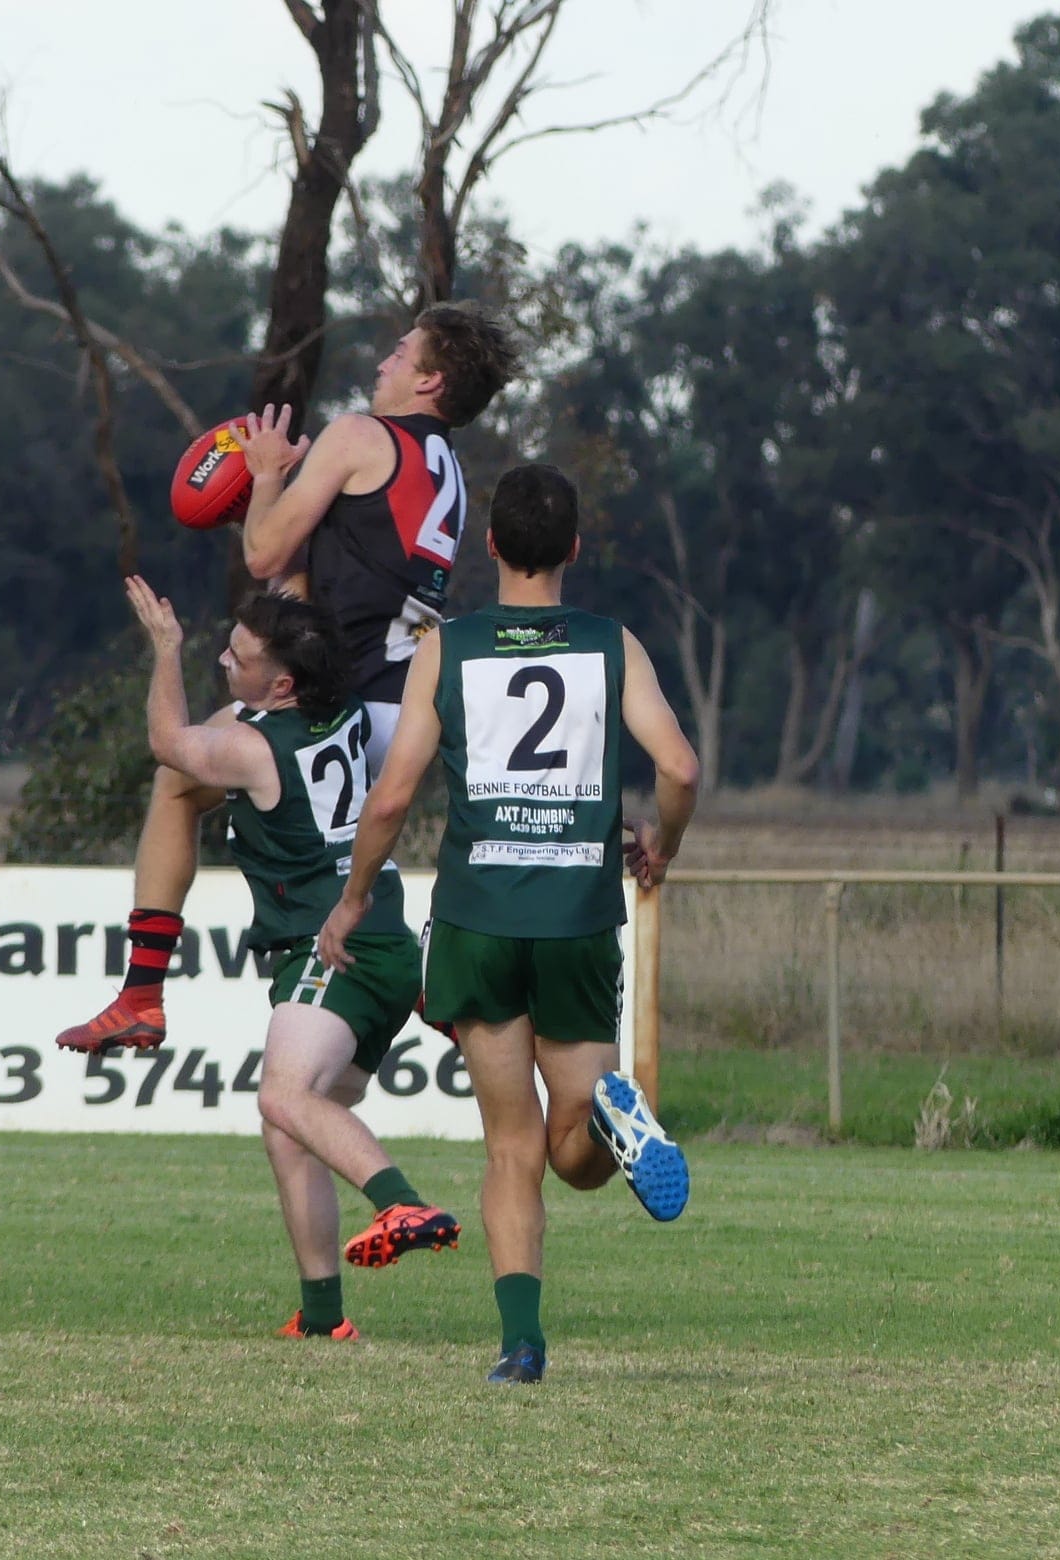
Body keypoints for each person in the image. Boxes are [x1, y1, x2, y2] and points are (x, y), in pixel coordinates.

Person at [316, 463, 701, 1385]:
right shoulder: (615, 644)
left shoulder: (448, 650)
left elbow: (393, 794)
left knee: (512, 1145)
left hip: (479, 918)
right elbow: (679, 769)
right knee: (577, 1153)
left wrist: (355, 897)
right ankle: (618, 1115)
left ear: (489, 545)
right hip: (575, 913)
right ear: (573, 547)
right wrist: (663, 845)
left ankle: (520, 1346)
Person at [57, 302, 519, 1055]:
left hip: (345, 704)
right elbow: (312, 591)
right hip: (401, 706)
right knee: (323, 848)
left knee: (179, 770)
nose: (383, 363)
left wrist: (266, 478)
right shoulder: (450, 472)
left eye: (401, 354)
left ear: (430, 378)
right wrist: (267, 506)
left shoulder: (360, 436)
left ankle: (142, 996)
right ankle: (437, 993)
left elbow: (267, 556)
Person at [118, 574, 460, 1340]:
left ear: (279, 683)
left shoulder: (252, 747)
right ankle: (322, 1318)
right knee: (299, 1120)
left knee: (282, 1099)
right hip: (383, 939)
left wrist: (166, 649)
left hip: (330, 942)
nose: (223, 665)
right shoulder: (331, 710)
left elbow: (168, 745)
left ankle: (400, 1201)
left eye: (237, 659)